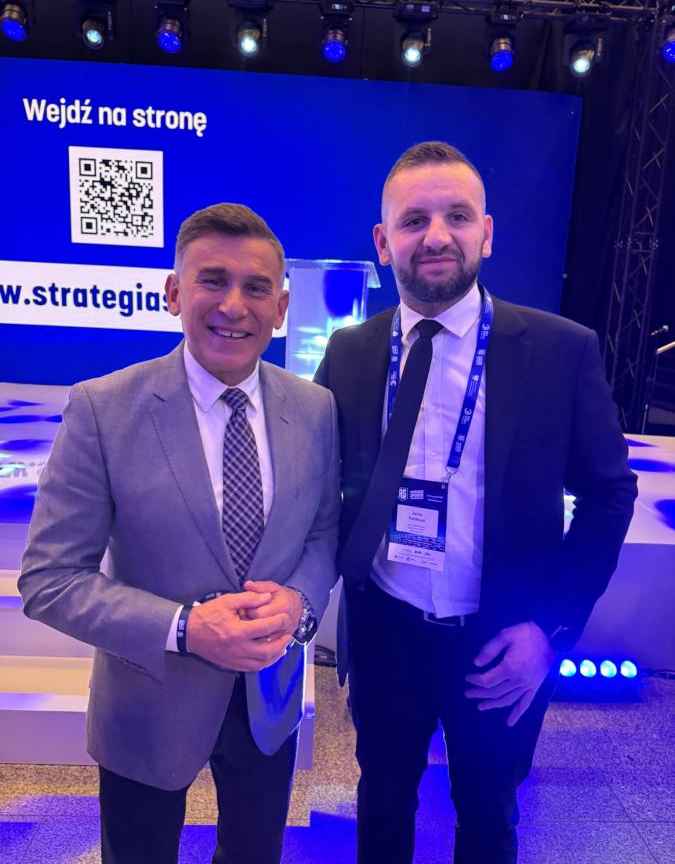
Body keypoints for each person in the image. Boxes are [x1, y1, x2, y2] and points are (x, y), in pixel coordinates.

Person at [314, 142, 637, 864]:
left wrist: (548, 630)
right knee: (382, 800)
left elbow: (609, 494)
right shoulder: (350, 353)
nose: (436, 236)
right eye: (414, 220)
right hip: (386, 633)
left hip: (502, 642)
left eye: (456, 216)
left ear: (485, 233)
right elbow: (318, 485)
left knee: (488, 814)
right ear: (383, 241)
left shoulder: (560, 350)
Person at [19, 203, 340, 864]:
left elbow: (323, 532)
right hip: (148, 702)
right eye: (211, 281)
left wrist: (300, 603)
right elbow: (49, 579)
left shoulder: (315, 408)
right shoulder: (103, 409)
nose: (233, 305)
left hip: (268, 699)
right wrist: (185, 628)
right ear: (173, 293)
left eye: (256, 288)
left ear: (281, 308)